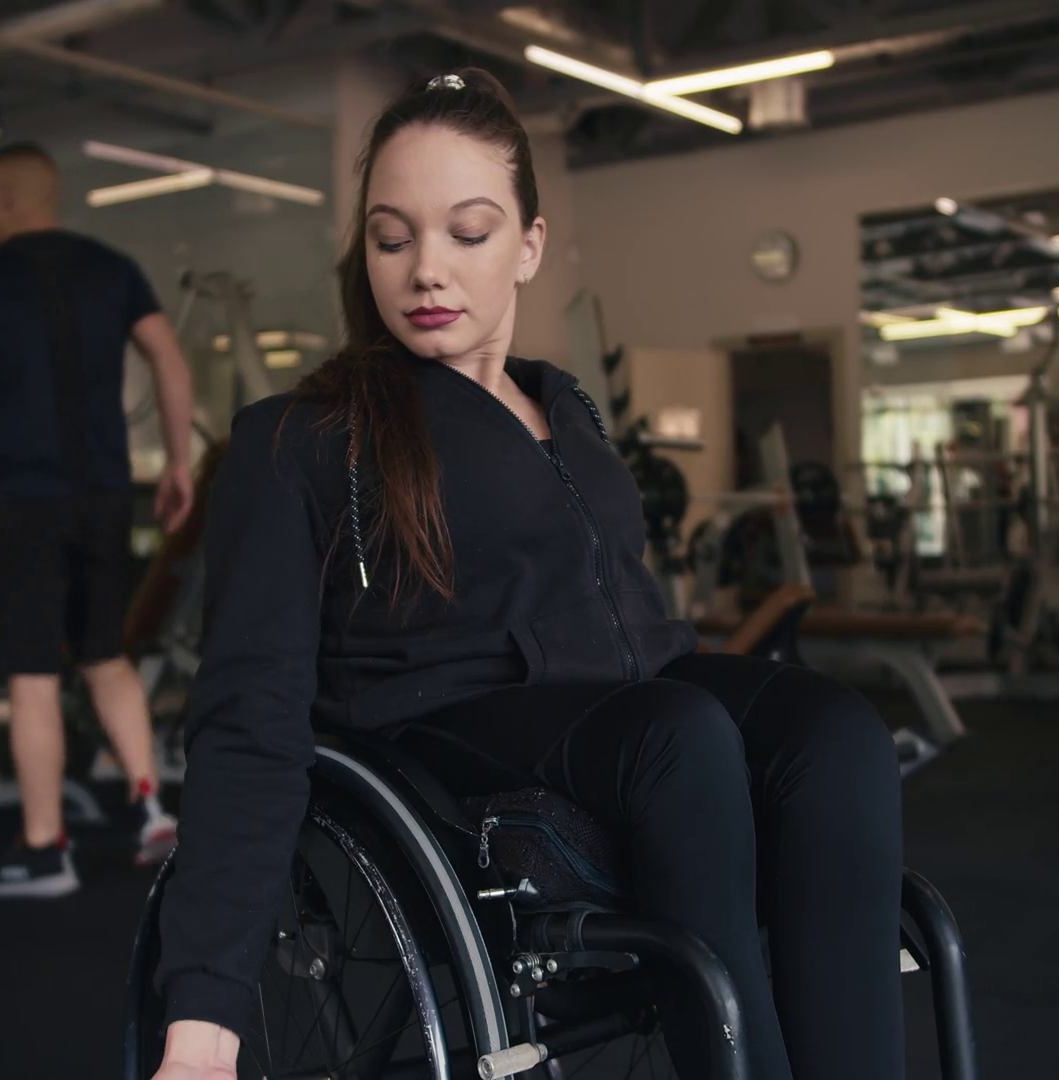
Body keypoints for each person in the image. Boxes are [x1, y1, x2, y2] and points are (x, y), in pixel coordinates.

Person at [152, 72, 904, 1080]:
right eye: (392, 239)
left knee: (837, 731)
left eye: (468, 232)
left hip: (633, 708)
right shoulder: (304, 438)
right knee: (680, 739)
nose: (427, 270)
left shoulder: (568, 413)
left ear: (529, 246)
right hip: (455, 727)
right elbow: (248, 721)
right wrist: (202, 1025)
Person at [0, 141, 196, 898]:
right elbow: (170, 363)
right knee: (106, 657)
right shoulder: (113, 267)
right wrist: (179, 462)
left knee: (34, 680)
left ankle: (45, 850)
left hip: (27, 502)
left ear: (3, 199)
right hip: (104, 496)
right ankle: (151, 810)